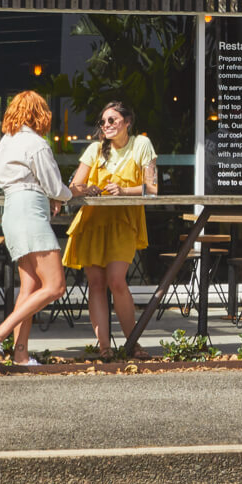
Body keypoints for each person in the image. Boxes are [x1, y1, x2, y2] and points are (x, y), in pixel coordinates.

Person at [0, 91, 74, 365]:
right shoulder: (36, 144)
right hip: (31, 211)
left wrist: (50, 192)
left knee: (30, 287)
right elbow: (54, 186)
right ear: (40, 114)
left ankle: (20, 355)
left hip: (12, 210)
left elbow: (10, 174)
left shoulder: (7, 142)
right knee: (55, 286)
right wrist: (66, 194)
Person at [63, 101, 156, 357]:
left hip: (123, 221)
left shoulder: (141, 144)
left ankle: (132, 343)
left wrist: (124, 190)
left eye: (112, 120)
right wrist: (87, 188)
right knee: (96, 283)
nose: (106, 125)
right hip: (93, 221)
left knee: (116, 281)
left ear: (128, 122)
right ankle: (104, 347)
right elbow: (73, 188)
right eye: (103, 122)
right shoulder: (95, 149)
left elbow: (152, 188)